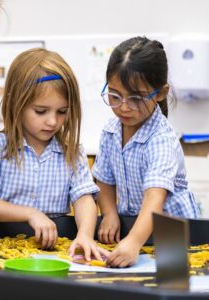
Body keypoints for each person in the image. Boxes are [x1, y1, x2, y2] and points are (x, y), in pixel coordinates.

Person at [0, 48, 109, 261]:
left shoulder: (71, 151)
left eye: (62, 112)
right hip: (2, 252)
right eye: (41, 111)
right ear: (17, 104)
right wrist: (31, 213)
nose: (52, 121)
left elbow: (84, 199)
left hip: (55, 253)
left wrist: (85, 235)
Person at [92, 36, 200, 267]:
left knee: (172, 284)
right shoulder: (111, 132)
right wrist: (109, 213)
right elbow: (104, 181)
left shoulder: (161, 138)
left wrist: (133, 241)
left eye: (136, 98)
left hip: (173, 233)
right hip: (135, 226)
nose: (123, 106)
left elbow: (154, 198)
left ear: (160, 93)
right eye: (114, 95)